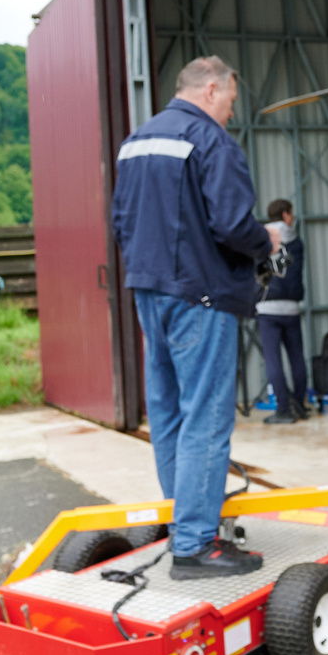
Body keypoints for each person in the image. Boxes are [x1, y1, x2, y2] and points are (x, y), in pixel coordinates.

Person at [111, 56, 274, 577]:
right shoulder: (211, 142)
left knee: (168, 416)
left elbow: (121, 221)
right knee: (206, 417)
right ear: (210, 90)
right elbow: (231, 223)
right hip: (199, 297)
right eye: (228, 102)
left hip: (148, 291)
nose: (229, 113)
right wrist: (264, 240)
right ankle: (196, 545)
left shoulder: (135, 143)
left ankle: (185, 526)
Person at [256, 199, 309, 424]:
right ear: (285, 215)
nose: (293, 218)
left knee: (273, 360)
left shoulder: (261, 239)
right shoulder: (297, 243)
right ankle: (300, 405)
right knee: (297, 357)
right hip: (292, 307)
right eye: (291, 214)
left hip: (267, 307)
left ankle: (283, 410)